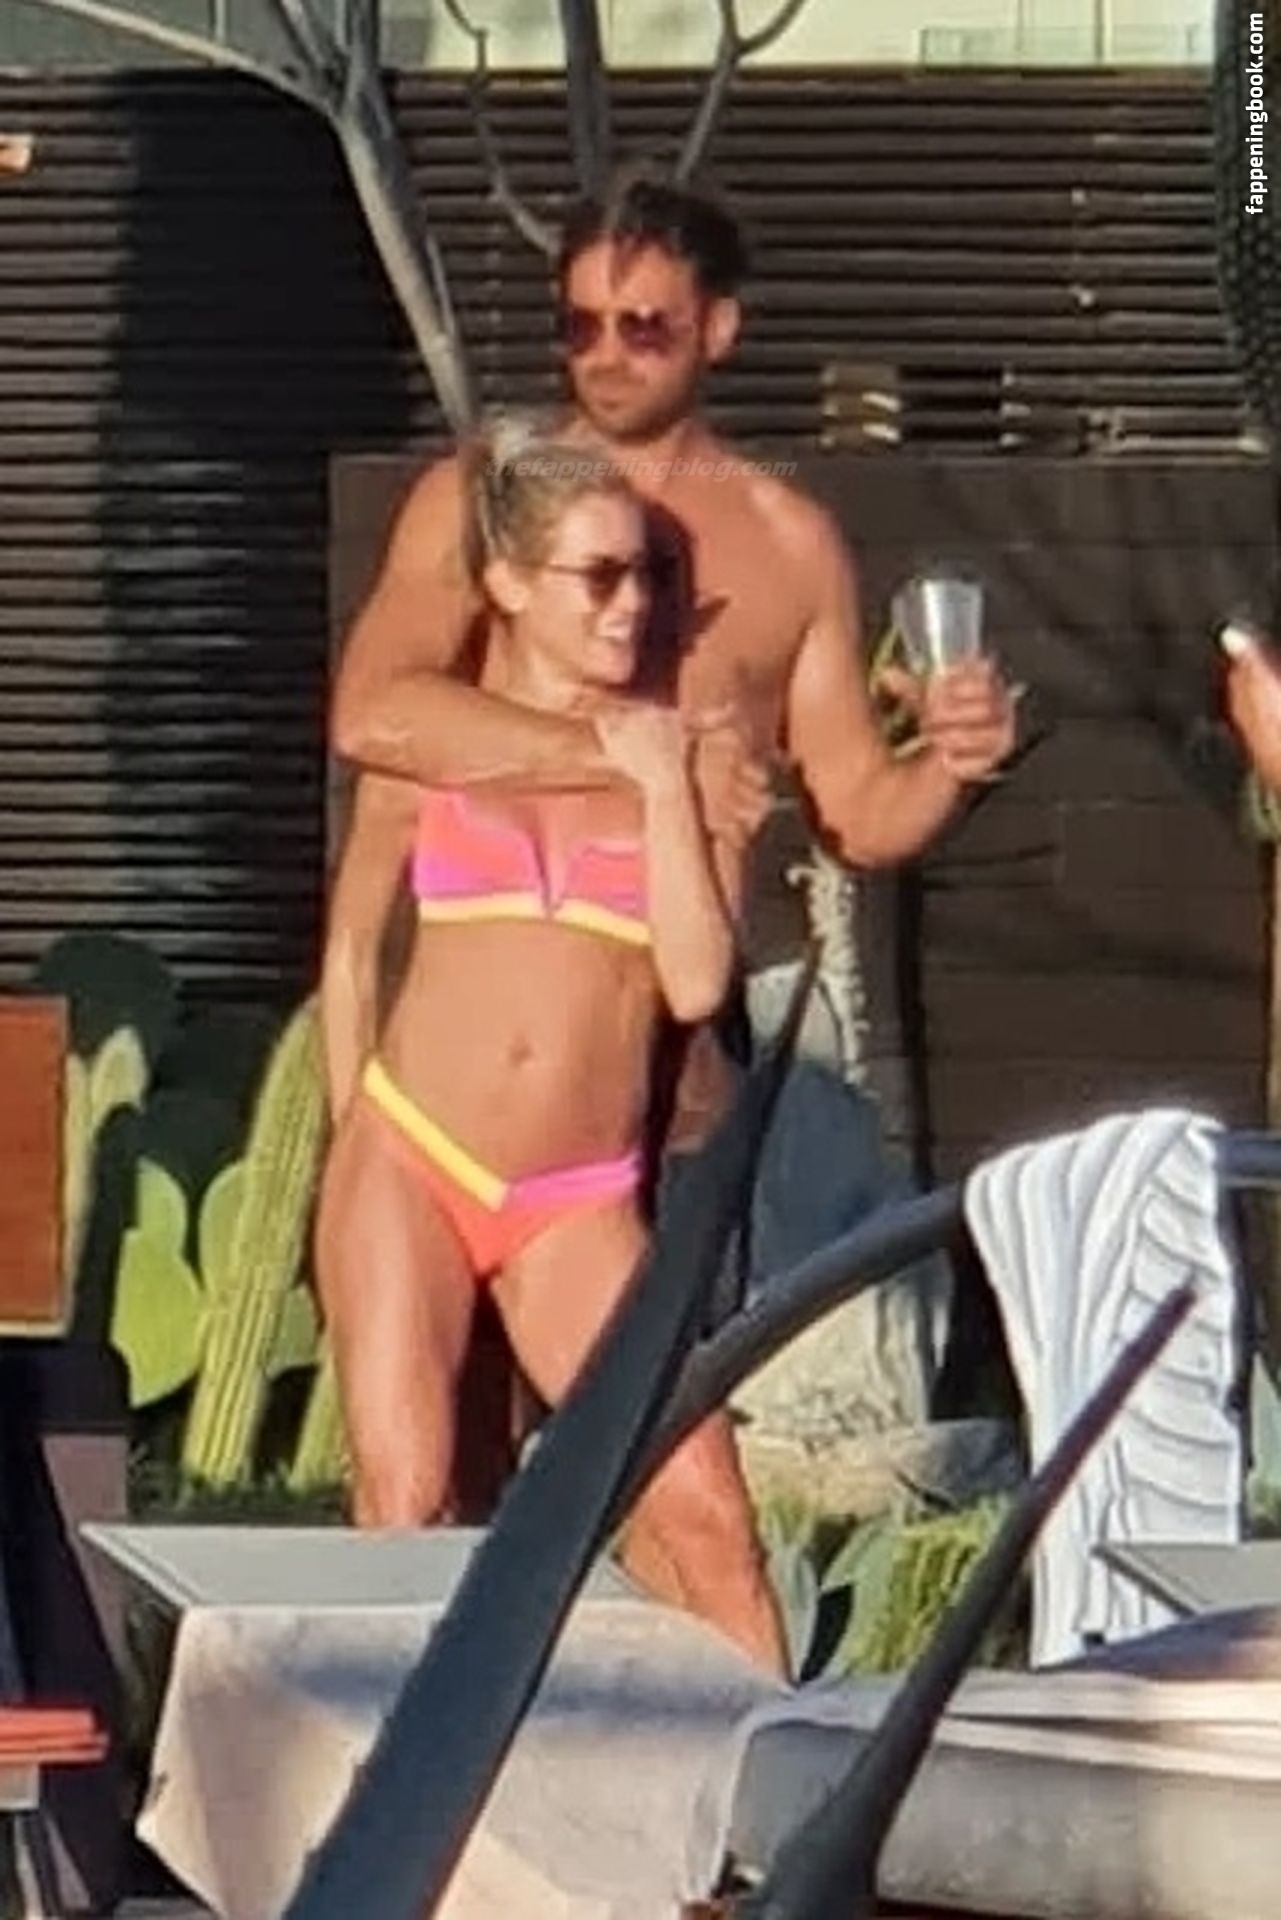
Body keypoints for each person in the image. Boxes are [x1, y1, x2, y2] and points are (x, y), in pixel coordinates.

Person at [316, 416, 787, 1674]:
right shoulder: (431, 749)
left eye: (649, 576)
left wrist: (661, 785)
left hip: (573, 1197)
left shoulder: (682, 757)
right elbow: (351, 954)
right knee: (407, 1504)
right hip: (414, 1152)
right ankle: (388, 1782)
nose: (634, 606)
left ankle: (793, 1781)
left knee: (709, 1519)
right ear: (511, 586)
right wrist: (349, 1140)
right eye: (600, 576)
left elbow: (695, 979)